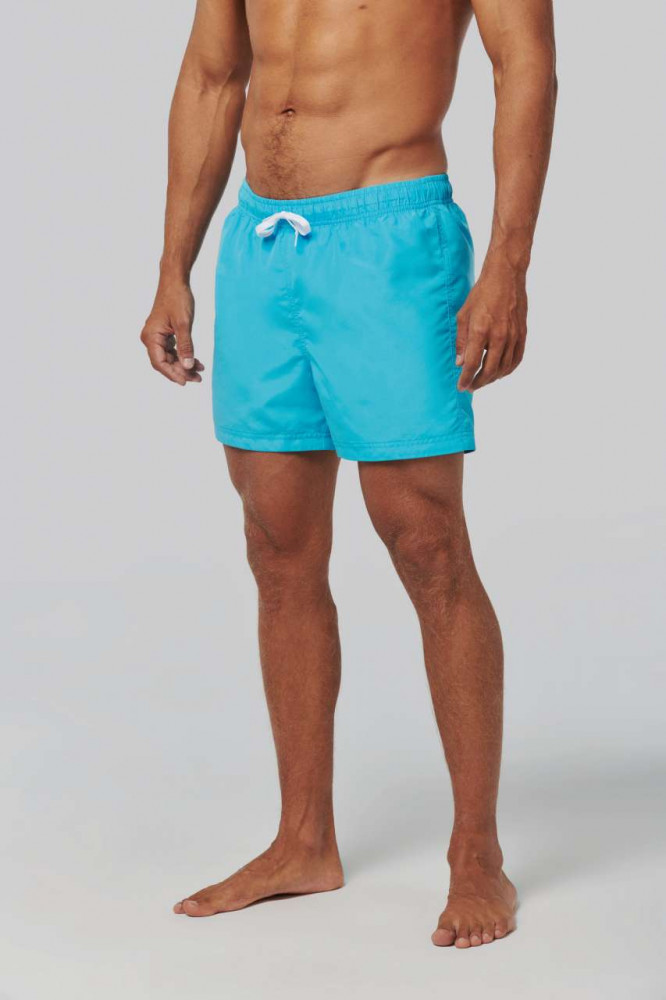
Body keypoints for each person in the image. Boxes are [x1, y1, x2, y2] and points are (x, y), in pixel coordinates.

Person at [140, 0, 556, 948]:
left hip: (392, 240)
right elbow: (211, 76)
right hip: (262, 245)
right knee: (276, 541)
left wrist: (508, 264)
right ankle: (303, 840)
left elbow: (524, 65)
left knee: (425, 541)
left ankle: (477, 854)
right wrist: (173, 265)